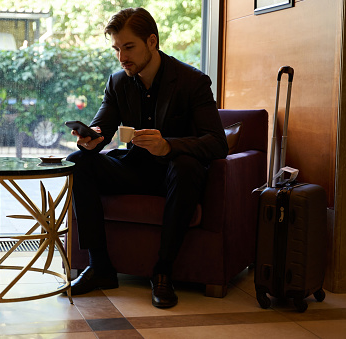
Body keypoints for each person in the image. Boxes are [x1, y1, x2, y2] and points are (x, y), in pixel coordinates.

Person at [66, 7, 228, 308]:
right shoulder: (118, 82)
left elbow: (217, 144)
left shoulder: (192, 81)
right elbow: (103, 125)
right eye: (116, 48)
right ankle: (100, 266)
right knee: (78, 161)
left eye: (128, 47)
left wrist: (168, 146)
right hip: (135, 169)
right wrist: (92, 138)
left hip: (175, 174)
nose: (121, 57)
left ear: (151, 42)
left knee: (186, 167)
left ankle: (163, 271)